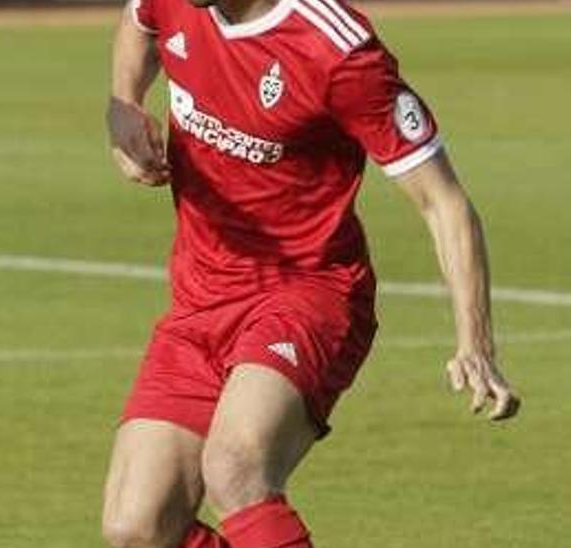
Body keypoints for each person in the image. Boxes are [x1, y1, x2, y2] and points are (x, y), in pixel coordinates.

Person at [101, 0, 520, 546]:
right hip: (199, 299)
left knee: (235, 467)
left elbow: (444, 203)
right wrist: (124, 104)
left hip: (309, 293)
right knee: (136, 527)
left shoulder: (339, 51)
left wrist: (476, 342)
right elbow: (139, 24)